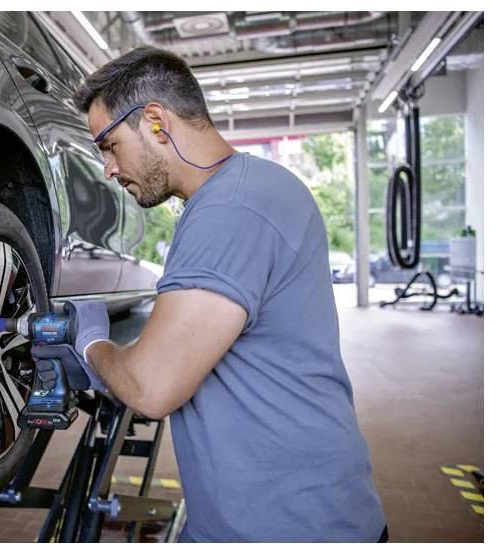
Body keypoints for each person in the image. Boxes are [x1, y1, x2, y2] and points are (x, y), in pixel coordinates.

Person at [31, 46, 386, 542]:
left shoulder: (232, 209)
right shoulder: (249, 191)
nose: (108, 169)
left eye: (109, 145)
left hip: (291, 531)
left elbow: (151, 389)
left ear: (155, 121)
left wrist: (91, 345)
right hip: (264, 518)